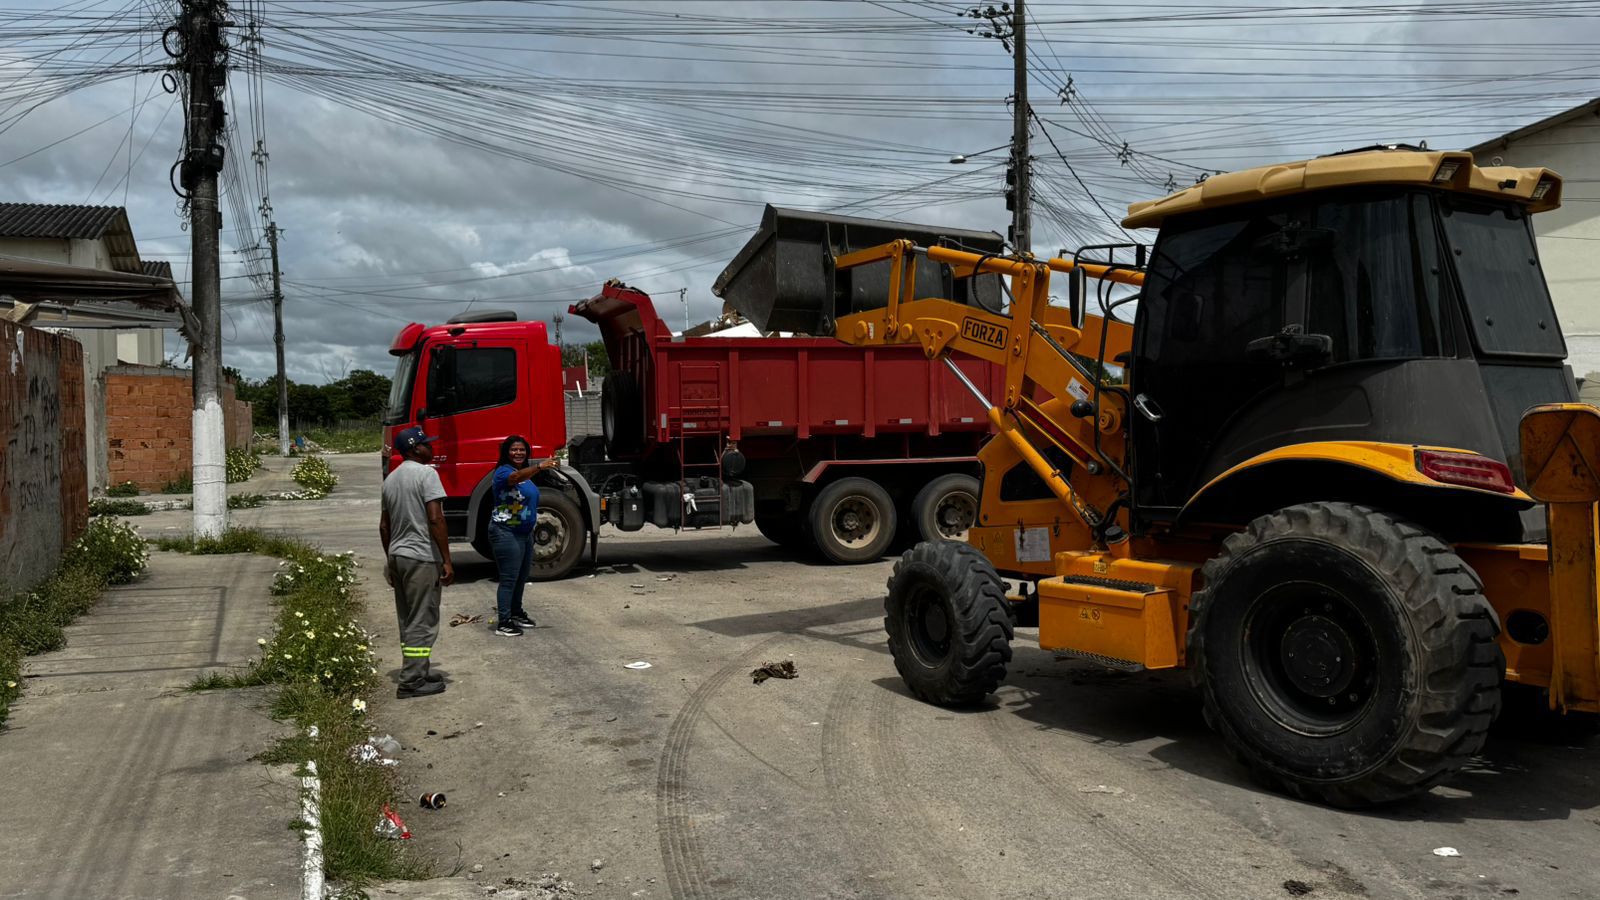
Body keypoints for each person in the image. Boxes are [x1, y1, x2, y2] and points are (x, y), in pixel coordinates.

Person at [379, 426, 454, 698]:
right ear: (414, 449)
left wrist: (390, 559)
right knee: (423, 619)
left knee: (408, 617)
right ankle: (411, 681)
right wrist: (446, 559)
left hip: (399, 556)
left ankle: (417, 669)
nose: (431, 448)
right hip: (421, 556)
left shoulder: (391, 479)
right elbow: (435, 519)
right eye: (426, 444)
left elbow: (384, 527)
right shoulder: (427, 474)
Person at [488, 434, 557, 637]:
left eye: (522, 450)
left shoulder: (522, 472)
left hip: (524, 533)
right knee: (509, 578)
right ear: (506, 453)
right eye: (514, 450)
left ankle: (516, 613)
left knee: (521, 576)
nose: (518, 453)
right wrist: (540, 467)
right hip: (505, 532)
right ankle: (504, 622)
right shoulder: (504, 472)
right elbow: (514, 480)